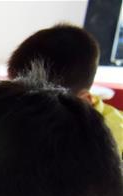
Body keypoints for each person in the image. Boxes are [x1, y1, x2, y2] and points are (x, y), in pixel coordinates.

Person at [8, 23, 122, 155]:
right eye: (19, 94)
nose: (27, 107)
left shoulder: (109, 140)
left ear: (84, 101)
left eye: (42, 101)